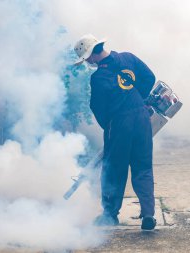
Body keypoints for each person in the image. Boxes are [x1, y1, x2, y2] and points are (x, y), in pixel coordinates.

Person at [74, 34, 157, 230]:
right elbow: (149, 77)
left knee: (114, 168)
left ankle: (110, 214)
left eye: (87, 60)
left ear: (92, 55)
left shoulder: (98, 77)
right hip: (142, 119)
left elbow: (97, 107)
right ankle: (148, 215)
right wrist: (138, 99)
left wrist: (109, 125)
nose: (88, 63)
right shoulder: (128, 58)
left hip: (119, 124)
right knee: (143, 167)